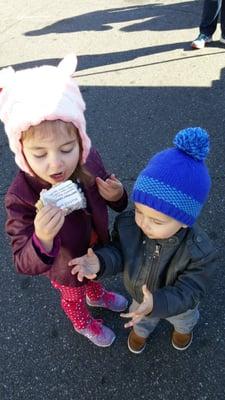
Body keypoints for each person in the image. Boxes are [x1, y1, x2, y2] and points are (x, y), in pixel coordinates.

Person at [0, 54, 128, 348]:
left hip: (96, 248)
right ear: (22, 152)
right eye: (40, 154)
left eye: (67, 148)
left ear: (81, 142)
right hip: (64, 267)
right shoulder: (21, 195)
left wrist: (118, 195)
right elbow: (23, 260)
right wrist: (42, 239)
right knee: (73, 297)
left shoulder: (90, 161)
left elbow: (115, 202)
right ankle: (83, 322)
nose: (56, 164)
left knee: (95, 276)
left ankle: (97, 295)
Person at [69, 127, 218, 354]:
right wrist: (100, 261)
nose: (144, 223)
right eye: (139, 210)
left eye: (157, 222)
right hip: (140, 296)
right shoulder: (130, 224)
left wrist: (157, 304)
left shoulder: (199, 251)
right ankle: (141, 333)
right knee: (140, 318)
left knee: (184, 320)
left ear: (185, 221)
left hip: (176, 305)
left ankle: (183, 331)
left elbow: (190, 290)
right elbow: (119, 251)